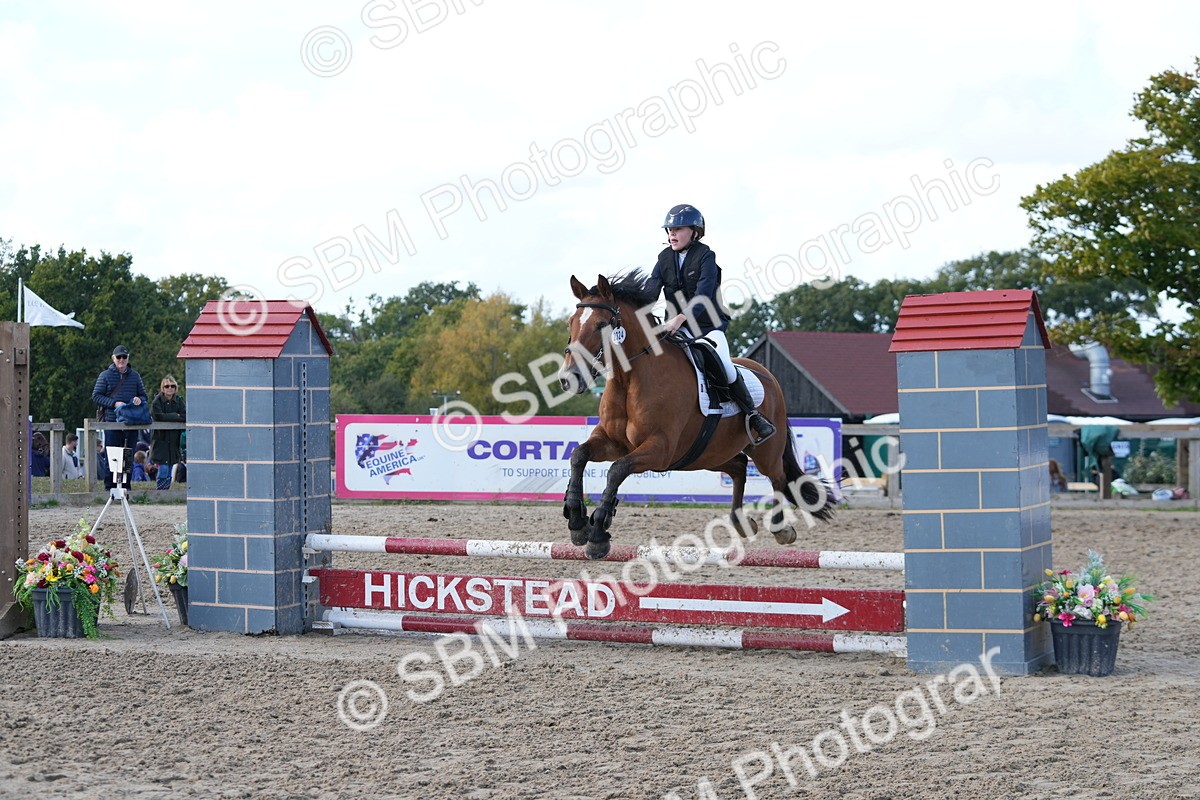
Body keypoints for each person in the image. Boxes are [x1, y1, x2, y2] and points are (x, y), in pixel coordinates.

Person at [643, 204, 776, 442]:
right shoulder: (664, 258)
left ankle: (753, 416)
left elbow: (703, 293)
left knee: (724, 366)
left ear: (694, 231)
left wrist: (681, 318)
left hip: (707, 327)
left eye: (678, 229)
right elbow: (651, 291)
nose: (671, 234)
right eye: (669, 229)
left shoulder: (706, 256)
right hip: (673, 328)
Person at [91, 345, 147, 489]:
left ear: (128, 359)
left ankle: (126, 486)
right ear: (113, 358)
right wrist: (114, 403)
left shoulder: (135, 376)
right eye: (119, 357)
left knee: (128, 454)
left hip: (131, 421)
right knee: (112, 455)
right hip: (112, 421)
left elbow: (143, 395)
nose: (121, 360)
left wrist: (139, 400)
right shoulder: (105, 375)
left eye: (124, 357)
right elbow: (96, 396)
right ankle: (110, 486)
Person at [150, 374, 186, 490]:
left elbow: (185, 416)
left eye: (172, 386)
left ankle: (167, 491)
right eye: (167, 386)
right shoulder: (157, 401)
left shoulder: (179, 400)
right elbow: (158, 416)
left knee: (171, 467)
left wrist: (170, 416)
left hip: (174, 440)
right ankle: (161, 491)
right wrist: (176, 415)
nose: (169, 388)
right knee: (163, 468)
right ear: (163, 388)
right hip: (161, 440)